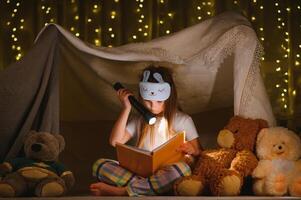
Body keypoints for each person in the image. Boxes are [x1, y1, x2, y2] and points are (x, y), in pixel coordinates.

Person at [90, 65, 202, 196]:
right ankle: (148, 187)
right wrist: (126, 108)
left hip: (168, 173)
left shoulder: (183, 120)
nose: (153, 106)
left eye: (159, 101)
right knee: (99, 166)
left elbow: (200, 153)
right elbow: (115, 141)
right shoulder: (139, 120)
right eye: (148, 101)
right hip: (142, 175)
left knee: (182, 170)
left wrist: (192, 150)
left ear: (169, 97)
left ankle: (124, 191)